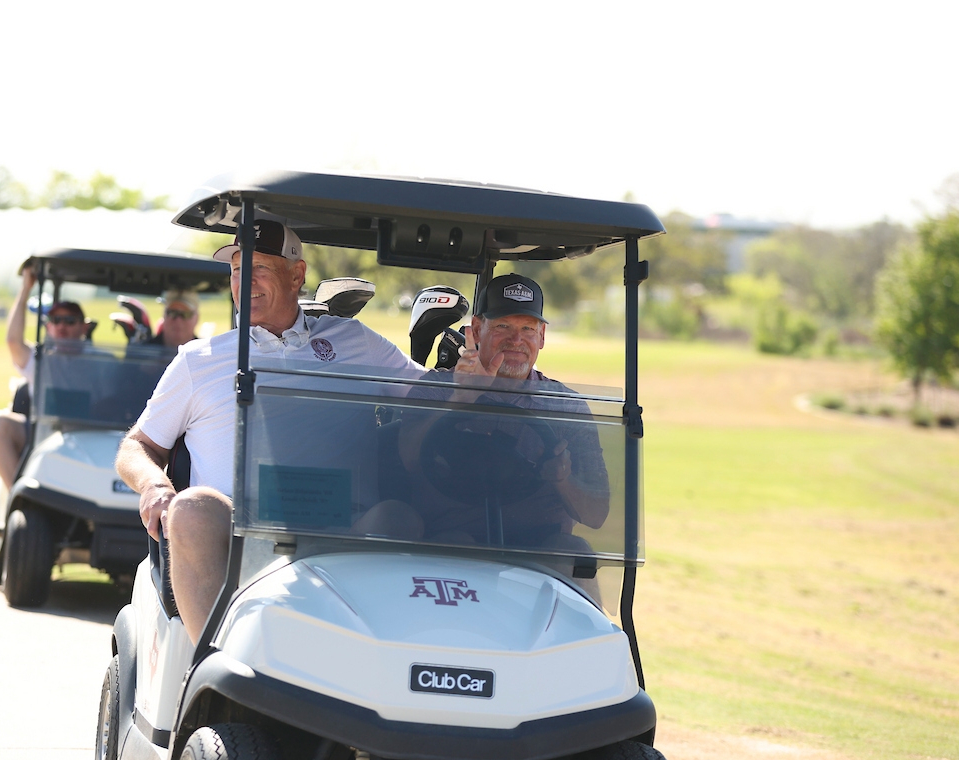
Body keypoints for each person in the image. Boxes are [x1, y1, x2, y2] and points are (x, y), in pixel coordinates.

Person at [115, 220, 424, 644]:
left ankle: (381, 654)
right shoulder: (198, 361)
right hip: (239, 538)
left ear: (297, 275)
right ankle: (215, 662)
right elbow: (137, 446)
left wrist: (481, 375)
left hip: (343, 534)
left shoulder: (355, 342)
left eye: (259, 268)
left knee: (399, 516)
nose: (245, 281)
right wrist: (154, 486)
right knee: (191, 508)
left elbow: (430, 396)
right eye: (237, 270)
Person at [367, 273, 610, 550]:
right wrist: (460, 399)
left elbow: (597, 515)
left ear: (542, 335)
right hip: (448, 539)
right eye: (503, 326)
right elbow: (410, 459)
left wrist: (562, 480)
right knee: (455, 543)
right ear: (476, 328)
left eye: (528, 329)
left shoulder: (566, 406)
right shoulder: (436, 388)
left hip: (538, 546)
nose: (516, 340)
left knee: (575, 551)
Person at [0, 269, 87, 490]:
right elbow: (13, 341)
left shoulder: (99, 362)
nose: (62, 326)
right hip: (41, 431)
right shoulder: (40, 360)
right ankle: (19, 496)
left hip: (87, 433)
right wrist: (25, 289)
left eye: (70, 320)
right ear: (48, 326)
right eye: (56, 320)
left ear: (83, 326)